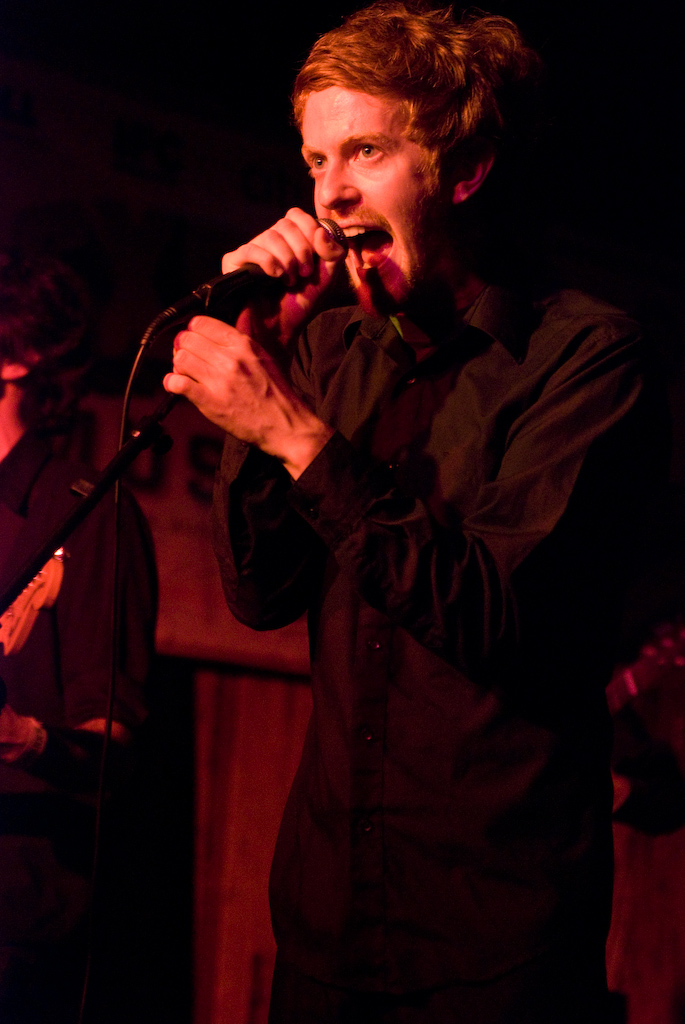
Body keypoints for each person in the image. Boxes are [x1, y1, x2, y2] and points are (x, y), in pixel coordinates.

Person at [164, 3, 667, 1021]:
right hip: (325, 922)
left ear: (463, 168)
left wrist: (297, 436)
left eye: (365, 151)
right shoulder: (329, 351)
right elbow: (259, 594)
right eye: (315, 160)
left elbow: (495, 616)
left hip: (493, 938)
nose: (329, 192)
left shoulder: (583, 355)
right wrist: (265, 369)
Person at [0, 253, 157, 1024]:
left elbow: (113, 752)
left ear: (17, 357)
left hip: (16, 925)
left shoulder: (88, 515)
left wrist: (23, 738)